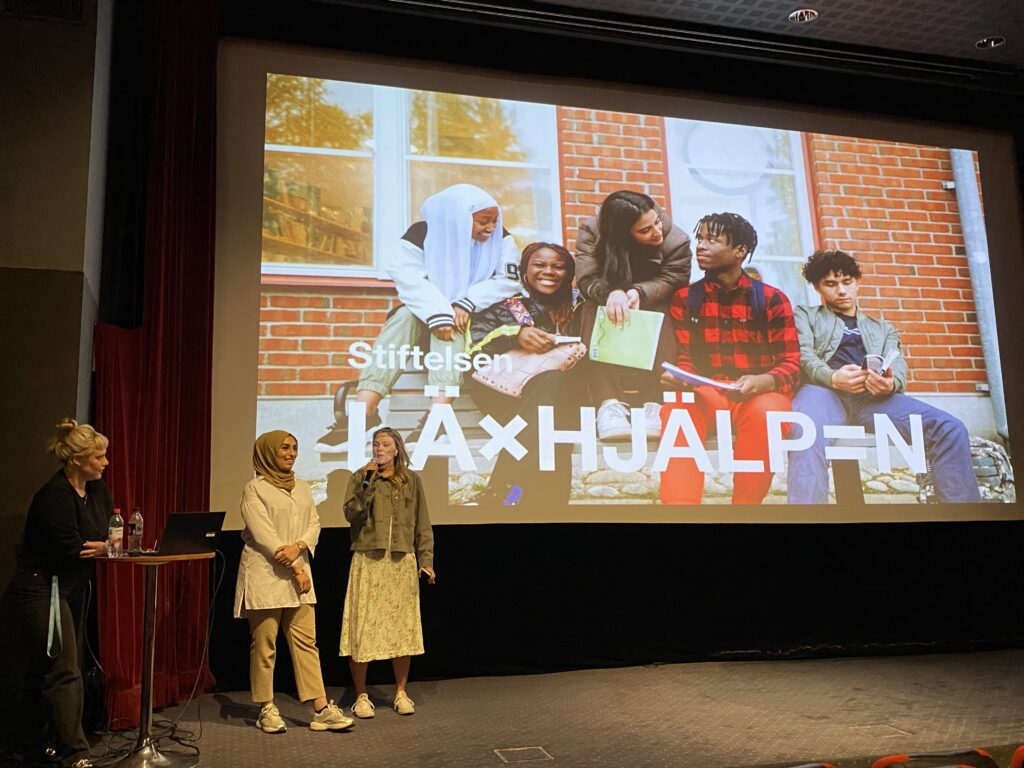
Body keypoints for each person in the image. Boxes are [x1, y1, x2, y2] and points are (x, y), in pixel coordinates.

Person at [317, 183, 520, 448]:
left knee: (454, 326)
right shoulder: (422, 232)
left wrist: (467, 302)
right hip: (425, 314)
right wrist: (439, 313)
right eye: (484, 221)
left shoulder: (501, 238)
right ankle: (363, 413)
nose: (491, 228)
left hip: (475, 318)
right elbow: (408, 277)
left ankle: (439, 417)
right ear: (458, 216)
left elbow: (508, 281)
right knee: (402, 317)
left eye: (495, 221)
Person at [787, 249, 982, 504]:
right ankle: (808, 522)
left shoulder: (883, 328)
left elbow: (898, 364)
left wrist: (890, 384)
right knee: (806, 431)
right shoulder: (805, 315)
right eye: (831, 284)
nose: (842, 291)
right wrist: (832, 377)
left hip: (873, 400)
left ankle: (964, 518)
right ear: (817, 287)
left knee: (950, 428)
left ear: (858, 282)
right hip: (823, 393)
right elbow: (803, 355)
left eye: (847, 282)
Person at [659, 212, 800, 505]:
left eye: (712, 239)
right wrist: (680, 376)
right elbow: (684, 357)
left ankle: (744, 512)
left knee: (768, 415)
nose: (701, 246)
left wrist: (764, 381)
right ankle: (680, 515)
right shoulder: (686, 298)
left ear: (740, 251)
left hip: (758, 394)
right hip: (707, 393)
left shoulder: (772, 299)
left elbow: (791, 364)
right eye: (700, 239)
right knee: (678, 411)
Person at [0, 419, 110, 768]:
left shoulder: (97, 491)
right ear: (76, 460)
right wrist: (101, 545)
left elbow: (108, 535)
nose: (105, 463)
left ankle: (33, 742)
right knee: (64, 671)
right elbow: (71, 546)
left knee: (55, 667)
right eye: (98, 457)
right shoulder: (54, 495)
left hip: (69, 586)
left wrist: (104, 545)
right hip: (41, 587)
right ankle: (73, 753)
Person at [233, 430, 354, 733]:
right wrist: (296, 566)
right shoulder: (254, 488)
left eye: (295, 448)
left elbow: (313, 523)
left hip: (299, 574)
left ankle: (321, 708)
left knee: (306, 643)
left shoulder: (302, 487)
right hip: (266, 573)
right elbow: (264, 535)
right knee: (265, 644)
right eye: (284, 448)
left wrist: (299, 547)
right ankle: (266, 708)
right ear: (267, 453)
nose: (291, 453)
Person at [466, 242, 582, 507]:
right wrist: (514, 334)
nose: (549, 271)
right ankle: (540, 508)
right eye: (539, 265)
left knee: (553, 402)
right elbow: (474, 349)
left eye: (558, 266)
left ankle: (506, 494)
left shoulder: (580, 308)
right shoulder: (507, 306)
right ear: (525, 271)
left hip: (563, 395)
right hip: (505, 391)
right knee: (552, 424)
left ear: (569, 273)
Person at [574, 190, 692, 441]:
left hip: (653, 305)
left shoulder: (676, 240)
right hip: (610, 307)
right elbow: (586, 279)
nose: (657, 232)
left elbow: (675, 279)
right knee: (591, 309)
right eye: (645, 230)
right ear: (621, 233)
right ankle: (609, 406)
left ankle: (655, 404)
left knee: (661, 309)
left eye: (657, 221)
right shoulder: (592, 233)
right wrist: (611, 293)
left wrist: (639, 292)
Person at [341, 427, 435, 718]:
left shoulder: (412, 481)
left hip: (401, 560)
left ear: (396, 449)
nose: (379, 448)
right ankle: (361, 696)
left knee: (401, 628)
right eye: (375, 444)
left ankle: (401, 693)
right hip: (368, 559)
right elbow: (351, 514)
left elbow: (423, 524)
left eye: (384, 444)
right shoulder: (360, 477)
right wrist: (367, 484)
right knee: (363, 626)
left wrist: (426, 559)